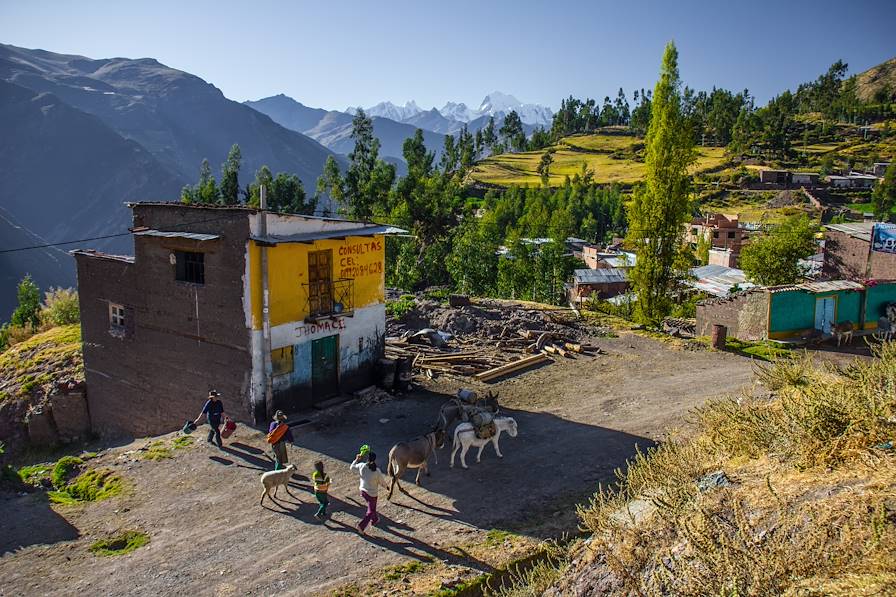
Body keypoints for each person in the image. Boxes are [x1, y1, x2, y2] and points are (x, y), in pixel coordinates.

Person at [350, 451, 389, 534]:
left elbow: (352, 467)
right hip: (372, 494)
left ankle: (375, 520)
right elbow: (381, 482)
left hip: (363, 491)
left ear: (367, 459)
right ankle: (361, 526)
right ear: (375, 460)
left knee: (372, 507)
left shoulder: (361, 466)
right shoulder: (376, 471)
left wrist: (356, 459)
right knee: (370, 511)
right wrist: (387, 487)